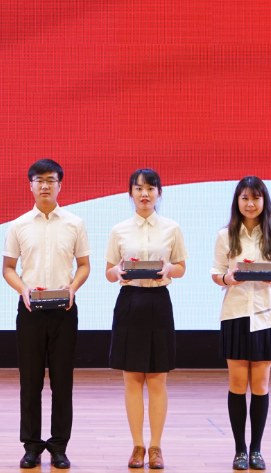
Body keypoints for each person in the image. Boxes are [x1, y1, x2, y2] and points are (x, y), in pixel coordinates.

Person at [2, 159, 91, 470]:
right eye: (39, 180)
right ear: (30, 185)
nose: (44, 186)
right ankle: (31, 446)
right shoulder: (18, 225)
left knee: (62, 381)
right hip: (30, 310)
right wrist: (23, 289)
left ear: (59, 185)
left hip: (64, 310)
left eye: (50, 180)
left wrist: (73, 287)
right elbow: (8, 269)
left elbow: (84, 265)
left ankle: (59, 446)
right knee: (30, 381)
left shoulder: (75, 223)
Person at [104, 169, 187, 470]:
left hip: (159, 302)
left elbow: (180, 267)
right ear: (130, 193)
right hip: (130, 302)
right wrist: (118, 272)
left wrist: (169, 270)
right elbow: (109, 272)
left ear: (159, 193)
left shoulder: (171, 228)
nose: (144, 194)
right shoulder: (119, 230)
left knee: (157, 379)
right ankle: (137, 446)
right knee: (132, 379)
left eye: (150, 188)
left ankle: (156, 447)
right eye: (138, 188)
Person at [210, 176, 271, 471]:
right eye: (244, 198)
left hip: (266, 316)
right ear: (237, 201)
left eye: (255, 198)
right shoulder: (225, 235)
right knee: (236, 384)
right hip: (235, 315)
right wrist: (228, 278)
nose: (250, 203)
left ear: (263, 201)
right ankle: (239, 451)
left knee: (260, 385)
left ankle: (256, 450)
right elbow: (217, 274)